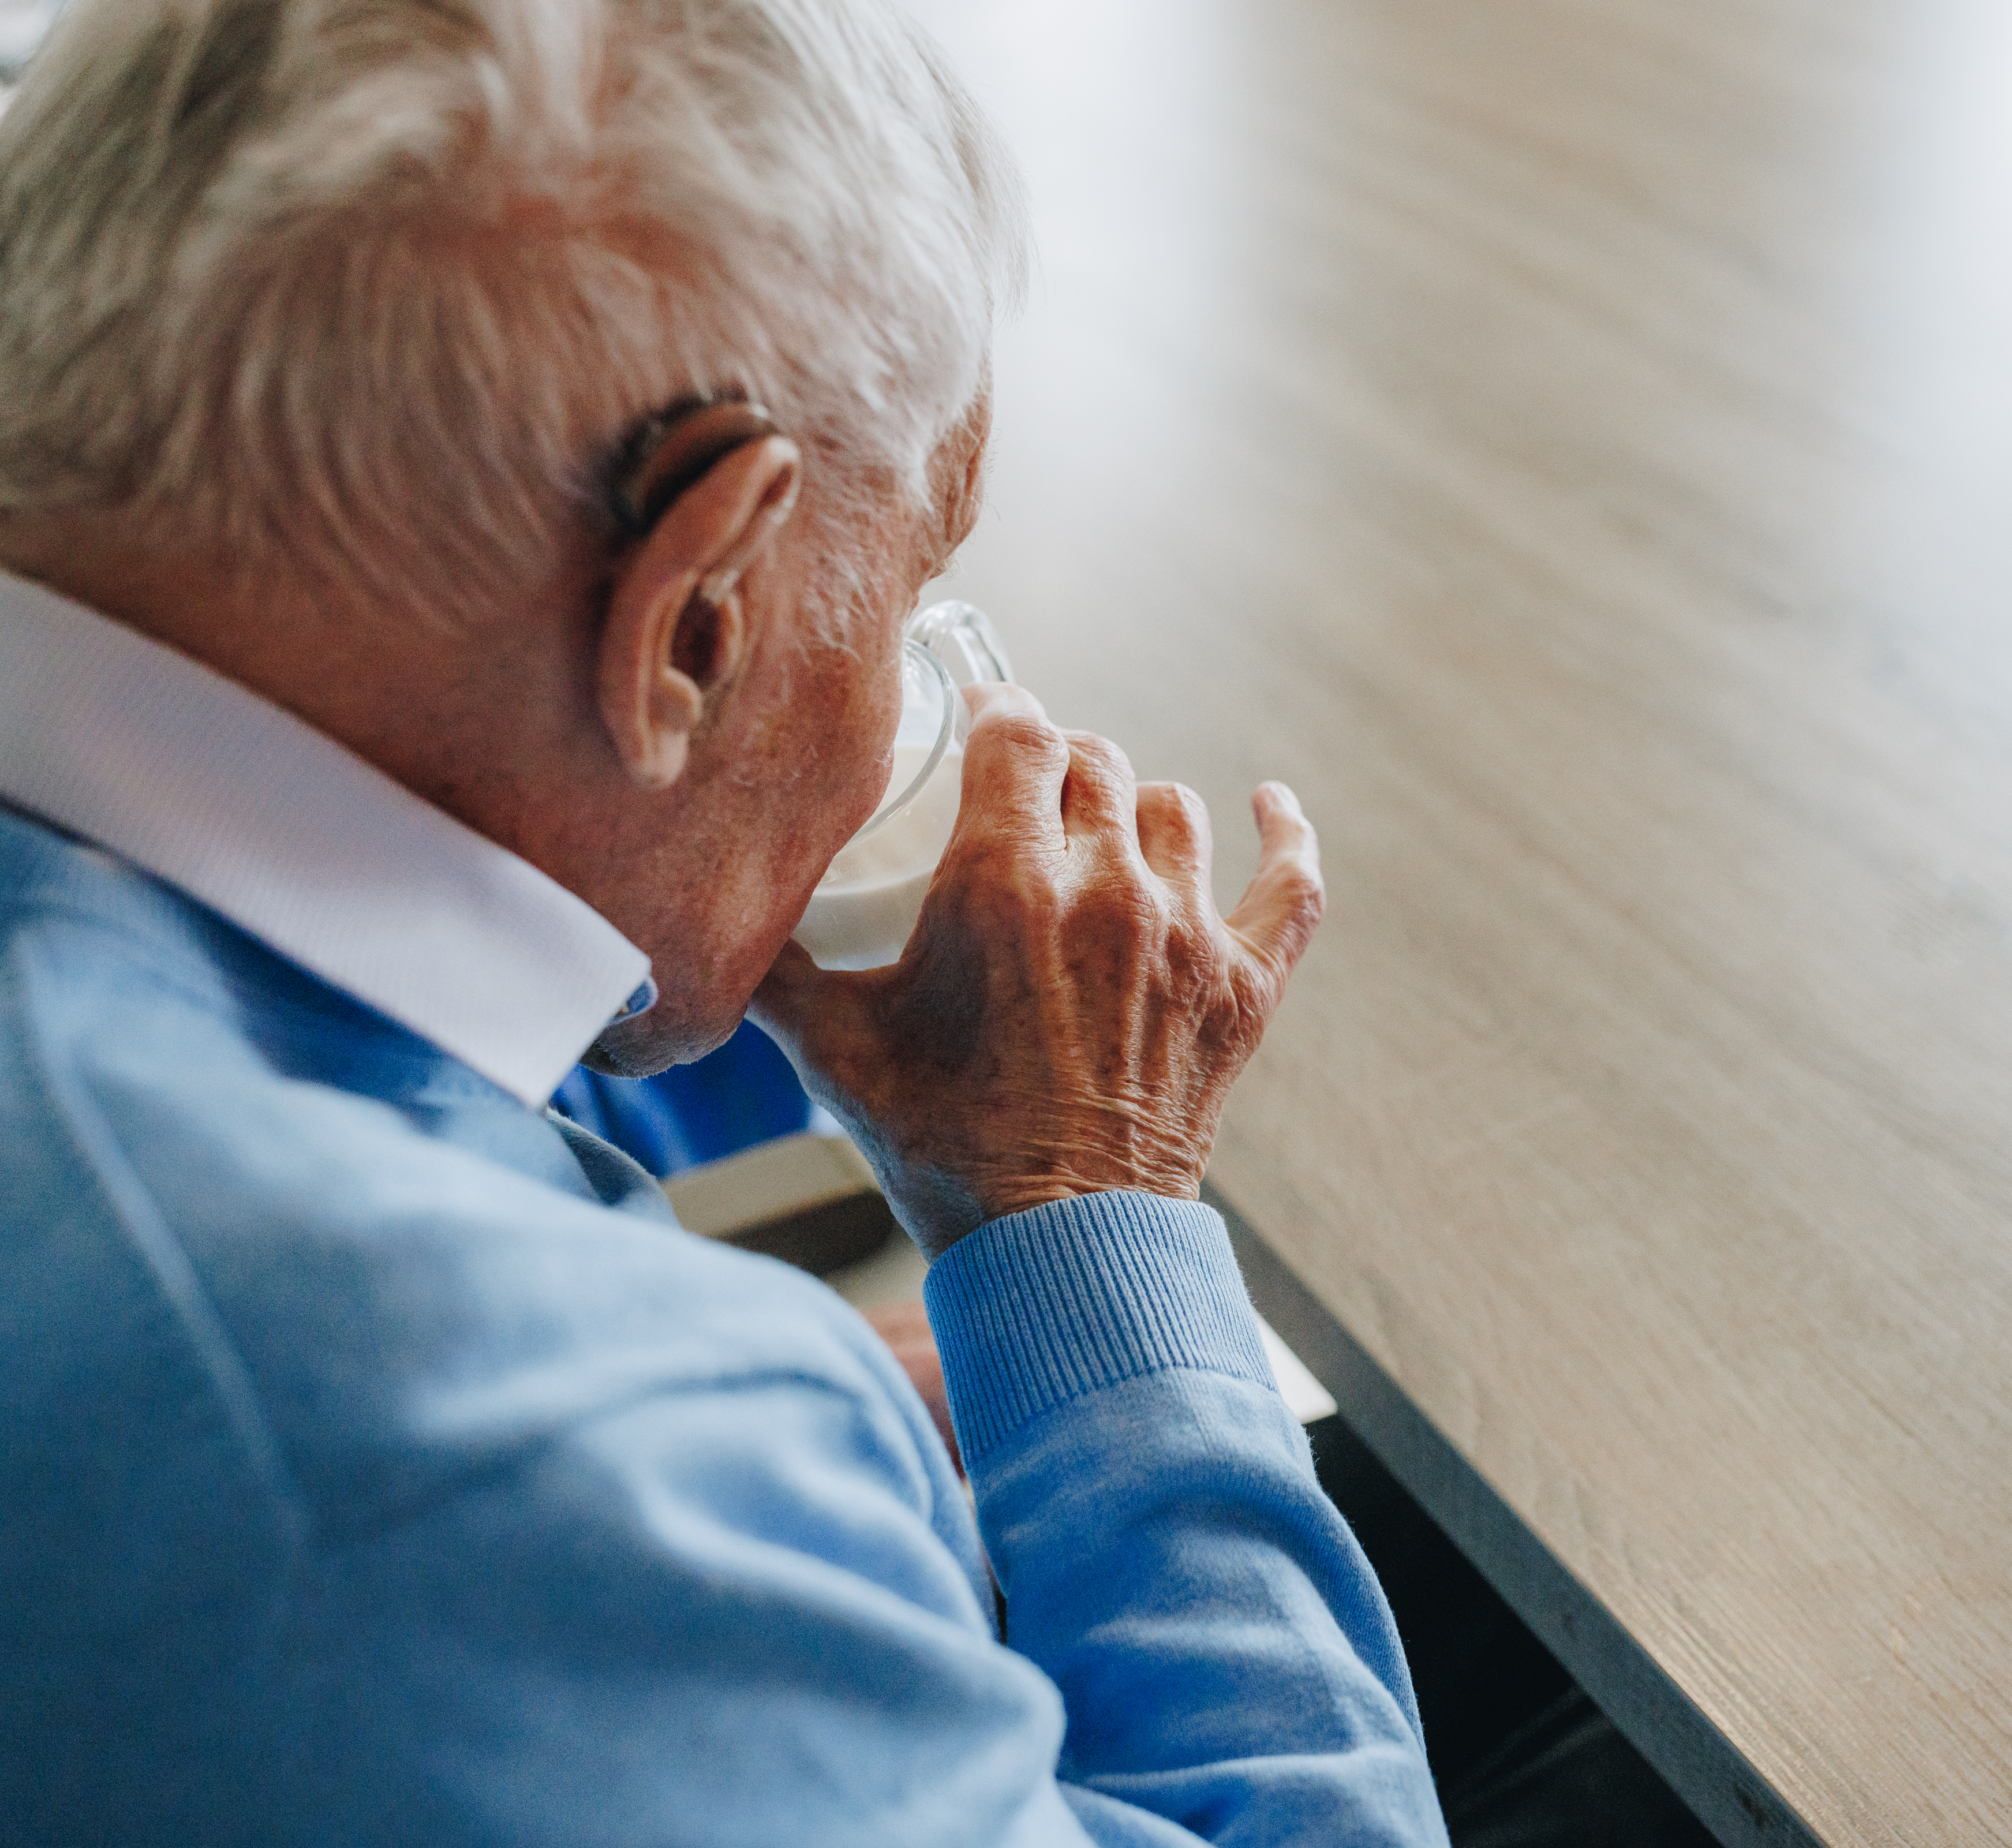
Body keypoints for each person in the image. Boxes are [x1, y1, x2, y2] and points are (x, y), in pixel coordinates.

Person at [0, 1, 1448, 1842]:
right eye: (917, 589)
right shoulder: (475, 1450)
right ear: (689, 611)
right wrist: (1087, 1212)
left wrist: (808, 1416)